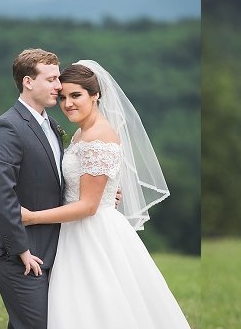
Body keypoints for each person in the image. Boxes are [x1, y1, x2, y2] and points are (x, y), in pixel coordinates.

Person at [19, 60, 189, 328]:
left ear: (95, 94)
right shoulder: (79, 134)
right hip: (74, 230)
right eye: (62, 97)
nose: (67, 104)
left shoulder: (99, 137)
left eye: (76, 95)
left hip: (92, 231)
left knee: (99, 304)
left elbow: (88, 206)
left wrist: (31, 217)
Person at [0, 49, 66, 328]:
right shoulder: (7, 127)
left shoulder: (50, 124)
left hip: (48, 247)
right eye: (51, 79)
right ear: (28, 82)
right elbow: (1, 194)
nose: (59, 86)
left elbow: (55, 183)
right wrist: (21, 250)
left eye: (58, 78)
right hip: (15, 252)